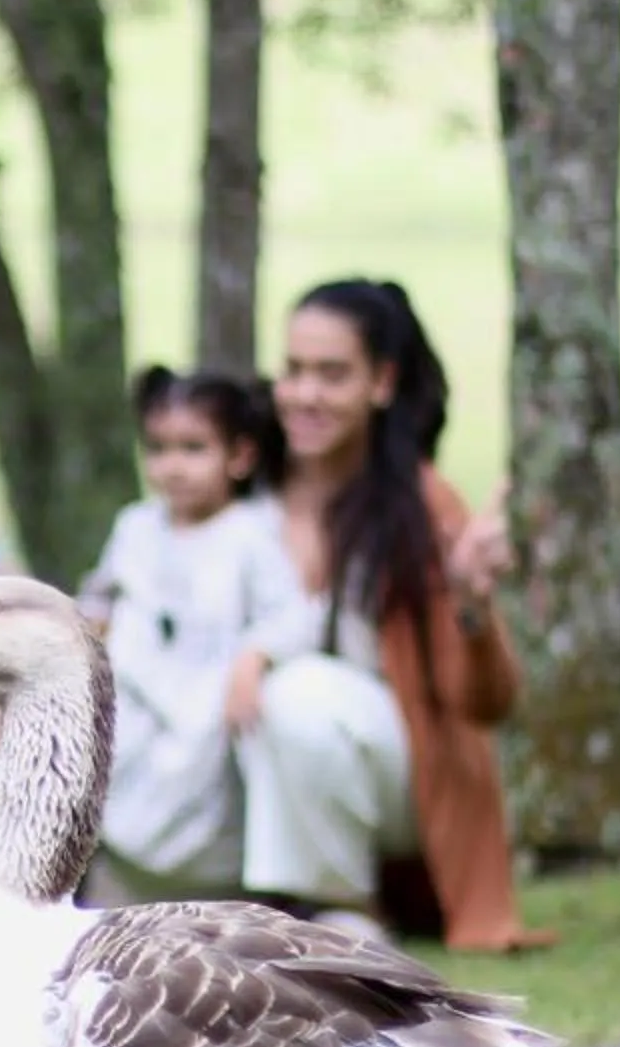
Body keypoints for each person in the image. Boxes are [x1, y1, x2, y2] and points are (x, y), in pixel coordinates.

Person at [240, 277, 549, 952]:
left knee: (299, 691)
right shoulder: (245, 486)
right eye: (293, 371)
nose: (305, 395)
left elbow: (487, 705)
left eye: (332, 374)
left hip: (395, 784)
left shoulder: (423, 505)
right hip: (256, 767)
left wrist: (472, 603)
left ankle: (340, 909)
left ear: (381, 383)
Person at [80, 365, 323, 898]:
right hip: (138, 699)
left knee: (203, 775)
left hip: (211, 707)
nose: (173, 467)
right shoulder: (136, 527)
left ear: (238, 456)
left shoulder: (252, 532)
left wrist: (254, 659)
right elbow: (101, 594)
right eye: (159, 449)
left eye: (193, 449)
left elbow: (292, 615)